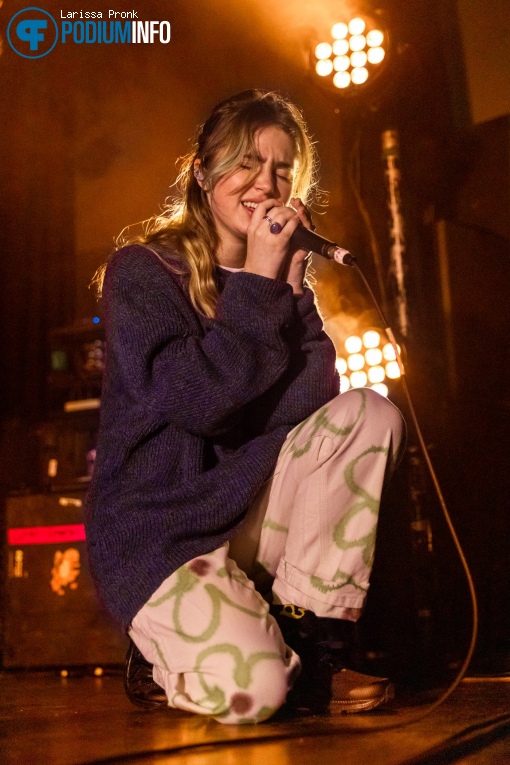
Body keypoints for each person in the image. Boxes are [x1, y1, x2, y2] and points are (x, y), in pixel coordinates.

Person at [86, 89, 405, 725]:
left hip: (247, 509)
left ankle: (314, 646)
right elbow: (202, 404)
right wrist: (261, 285)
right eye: (245, 162)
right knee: (257, 694)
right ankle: (159, 657)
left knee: (368, 413)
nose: (265, 182)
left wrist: (287, 292)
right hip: (163, 533)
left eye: (282, 169)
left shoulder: (275, 282)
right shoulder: (144, 273)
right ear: (203, 175)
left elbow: (310, 414)